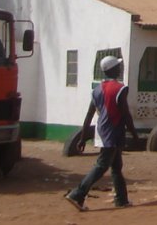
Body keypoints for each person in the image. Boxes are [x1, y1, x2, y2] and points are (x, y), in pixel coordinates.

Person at [65, 56, 139, 211]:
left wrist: (83, 137)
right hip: (113, 131)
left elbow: (89, 115)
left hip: (103, 130)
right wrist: (134, 134)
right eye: (118, 66)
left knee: (116, 166)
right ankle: (77, 194)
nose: (120, 68)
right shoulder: (120, 88)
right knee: (102, 165)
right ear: (113, 70)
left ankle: (121, 199)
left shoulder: (97, 90)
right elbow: (125, 115)